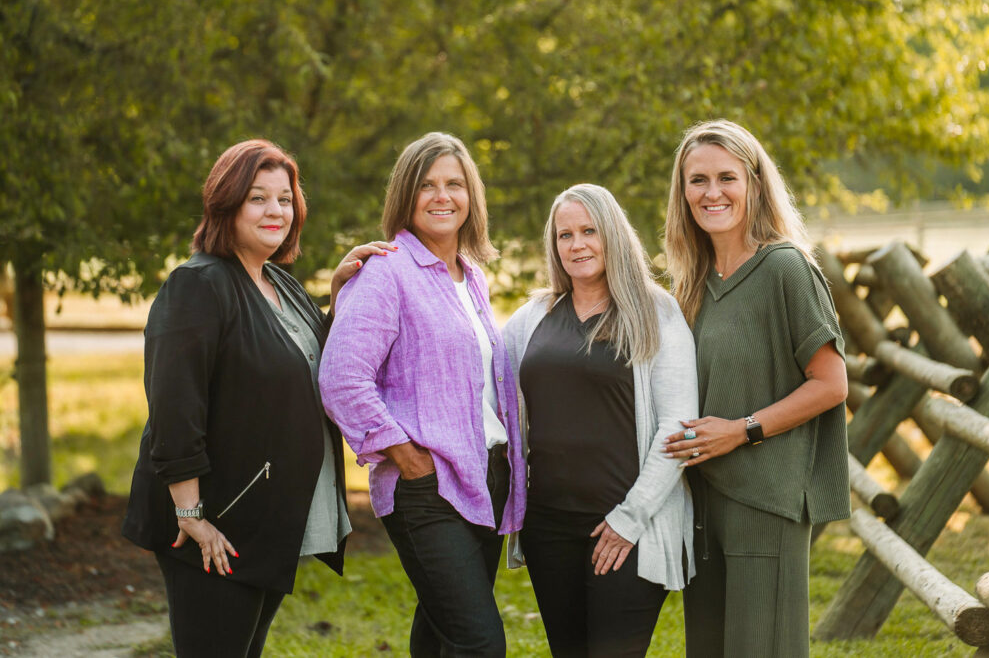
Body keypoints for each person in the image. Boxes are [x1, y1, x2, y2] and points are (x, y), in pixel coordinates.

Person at [122, 139, 392, 657]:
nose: (276, 211)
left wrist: (339, 295)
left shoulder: (279, 283)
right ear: (226, 204)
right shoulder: (197, 285)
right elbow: (175, 406)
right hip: (212, 522)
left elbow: (308, 364)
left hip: (262, 519)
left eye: (285, 199)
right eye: (257, 198)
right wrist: (191, 514)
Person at [318, 132, 526, 657]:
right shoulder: (387, 272)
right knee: (479, 643)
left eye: (455, 184)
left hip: (487, 477)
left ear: (471, 197)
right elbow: (341, 378)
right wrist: (407, 456)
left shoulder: (472, 278)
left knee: (440, 634)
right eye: (427, 184)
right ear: (406, 196)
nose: (442, 196)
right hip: (429, 488)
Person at [661, 119, 849, 658]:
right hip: (704, 497)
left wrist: (741, 431)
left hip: (767, 498)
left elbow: (831, 383)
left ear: (755, 185)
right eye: (698, 180)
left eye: (727, 177)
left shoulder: (785, 268)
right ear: (683, 193)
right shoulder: (694, 282)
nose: (712, 192)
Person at [503, 183, 699, 657]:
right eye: (564, 235)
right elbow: (476, 376)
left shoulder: (656, 313)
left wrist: (629, 520)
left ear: (612, 234)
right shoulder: (532, 317)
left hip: (629, 526)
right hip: (549, 526)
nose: (577, 245)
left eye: (589, 231)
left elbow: (678, 426)